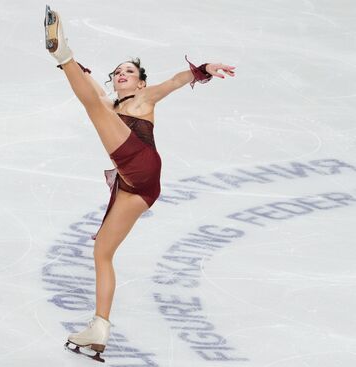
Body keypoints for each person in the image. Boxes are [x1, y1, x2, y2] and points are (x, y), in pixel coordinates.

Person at [44, 5, 235, 362]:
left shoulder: (145, 97)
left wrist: (203, 69)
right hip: (139, 188)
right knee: (102, 251)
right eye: (116, 72)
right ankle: (99, 326)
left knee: (97, 109)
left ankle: (63, 54)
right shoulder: (110, 102)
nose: (121, 75)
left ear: (141, 82)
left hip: (143, 165)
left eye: (128, 72)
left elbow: (176, 81)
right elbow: (92, 90)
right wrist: (81, 74)